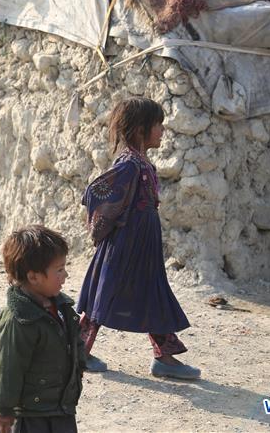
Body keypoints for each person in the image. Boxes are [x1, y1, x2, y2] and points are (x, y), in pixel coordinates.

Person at [76, 97, 200, 379]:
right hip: (125, 244)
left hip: (143, 244)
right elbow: (96, 191)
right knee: (103, 295)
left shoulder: (140, 162)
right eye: (158, 125)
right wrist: (105, 225)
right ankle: (79, 352)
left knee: (152, 295)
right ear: (140, 129)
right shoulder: (130, 165)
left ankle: (165, 359)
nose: (162, 131)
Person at [0, 226, 84, 433]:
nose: (66, 274)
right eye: (59, 270)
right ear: (34, 277)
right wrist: (3, 409)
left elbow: (74, 340)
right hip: (31, 414)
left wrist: (80, 364)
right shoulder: (18, 320)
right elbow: (7, 367)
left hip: (61, 408)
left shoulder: (62, 308)